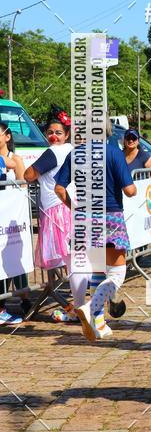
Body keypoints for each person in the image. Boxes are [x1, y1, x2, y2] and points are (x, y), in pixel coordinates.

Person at [55, 119, 137, 342]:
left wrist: (73, 207)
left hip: (86, 218)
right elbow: (129, 190)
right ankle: (91, 306)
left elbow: (59, 188)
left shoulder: (76, 154)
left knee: (98, 271)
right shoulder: (113, 153)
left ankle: (98, 322)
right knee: (117, 273)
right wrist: (134, 188)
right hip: (111, 215)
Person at [23, 107, 74, 321]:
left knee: (68, 261)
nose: (53, 136)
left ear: (67, 134)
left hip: (56, 211)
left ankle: (78, 306)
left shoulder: (53, 152)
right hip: (70, 207)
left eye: (58, 132)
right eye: (50, 132)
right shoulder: (72, 149)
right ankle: (76, 304)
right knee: (74, 259)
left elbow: (28, 175)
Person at [0, 123, 29, 325]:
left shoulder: (16, 159)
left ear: (7, 136)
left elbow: (22, 185)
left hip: (12, 218)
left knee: (14, 256)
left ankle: (25, 298)